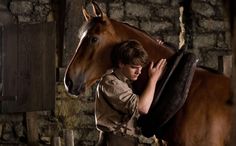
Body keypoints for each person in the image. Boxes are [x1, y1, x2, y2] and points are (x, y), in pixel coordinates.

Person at [95, 40, 167, 146]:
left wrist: (155, 49)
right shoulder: (110, 82)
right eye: (134, 67)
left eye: (140, 67)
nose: (139, 72)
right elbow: (142, 108)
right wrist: (153, 79)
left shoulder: (129, 82)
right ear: (121, 63)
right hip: (113, 142)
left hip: (127, 141)